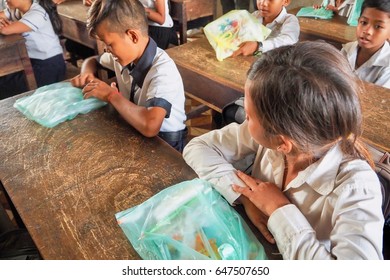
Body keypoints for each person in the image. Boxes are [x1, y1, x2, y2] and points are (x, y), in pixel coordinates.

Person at [183, 41, 384, 259]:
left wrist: (278, 209)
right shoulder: (274, 136)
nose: (244, 118)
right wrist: (247, 197)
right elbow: (198, 147)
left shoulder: (356, 186)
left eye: (249, 116)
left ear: (283, 143)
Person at [71, 0, 187, 152]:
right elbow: (92, 61)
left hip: (166, 144)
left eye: (110, 44)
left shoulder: (162, 71)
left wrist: (112, 95)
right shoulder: (121, 57)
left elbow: (150, 126)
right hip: (135, 130)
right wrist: (86, 73)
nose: (107, 50)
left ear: (133, 36)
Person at [0, 0, 65, 95]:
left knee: (3, 84)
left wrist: (6, 26)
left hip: (49, 67)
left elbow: (5, 30)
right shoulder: (15, 10)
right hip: (31, 62)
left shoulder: (37, 13)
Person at [341, 0, 390, 88]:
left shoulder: (387, 66)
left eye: (378, 26)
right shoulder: (347, 49)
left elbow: (376, 98)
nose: (367, 31)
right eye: (364, 22)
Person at [231, 0, 299, 57]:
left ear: (286, 1)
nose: (263, 3)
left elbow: (289, 40)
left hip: (277, 66)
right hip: (253, 62)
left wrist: (258, 47)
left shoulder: (289, 20)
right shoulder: (254, 16)